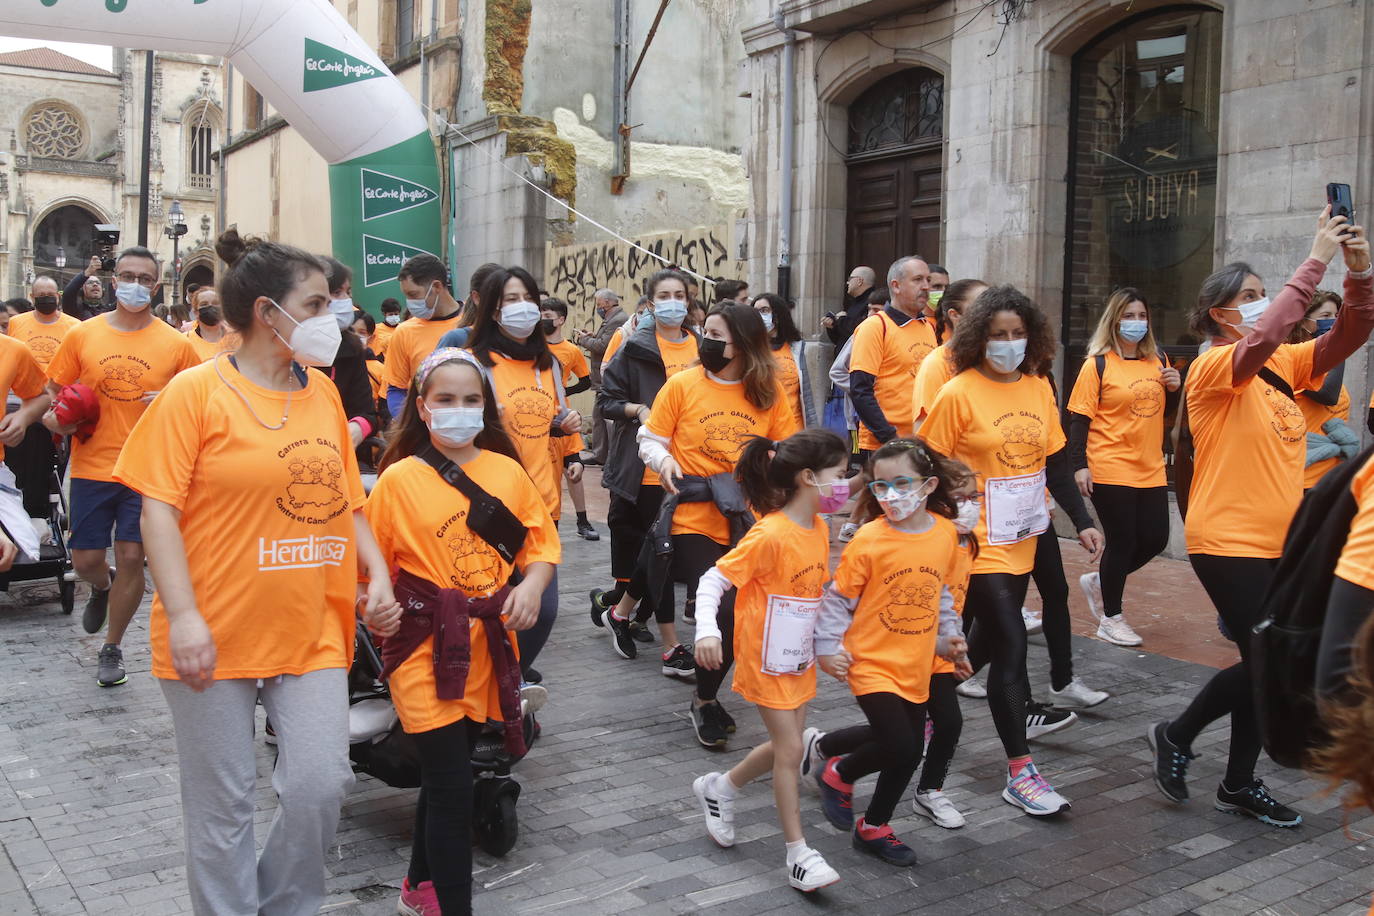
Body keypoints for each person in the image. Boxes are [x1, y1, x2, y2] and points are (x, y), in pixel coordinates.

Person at [111, 229, 399, 915]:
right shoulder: (195, 392)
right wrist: (182, 616)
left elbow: (346, 500)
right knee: (223, 805)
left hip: (310, 627)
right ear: (271, 312)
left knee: (320, 785)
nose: (336, 317)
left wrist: (378, 576)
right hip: (210, 630)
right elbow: (157, 514)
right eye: (320, 302)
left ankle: (279, 905)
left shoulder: (324, 395)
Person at [1147, 208, 1372, 827]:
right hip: (1227, 539)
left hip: (1282, 540)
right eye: (1249, 296)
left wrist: (1359, 271)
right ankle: (1178, 733)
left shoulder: (1285, 369)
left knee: (1261, 657)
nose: (1262, 303)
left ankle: (1236, 781)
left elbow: (1351, 334)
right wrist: (1317, 256)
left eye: (1263, 294)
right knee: (1266, 659)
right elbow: (1269, 333)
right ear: (1221, 314)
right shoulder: (1214, 366)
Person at [366, 347, 556, 915]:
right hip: (422, 643)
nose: (458, 410)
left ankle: (417, 886)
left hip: (488, 644)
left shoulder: (507, 471)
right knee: (451, 782)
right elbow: (366, 572)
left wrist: (531, 587)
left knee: (449, 775)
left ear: (485, 407)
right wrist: (370, 606)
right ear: (422, 408)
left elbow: (540, 546)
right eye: (445, 400)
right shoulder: (397, 481)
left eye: (470, 400)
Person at [921, 285, 1105, 816]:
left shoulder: (1037, 388)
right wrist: (953, 509)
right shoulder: (958, 393)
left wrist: (1083, 522)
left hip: (1025, 534)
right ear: (978, 338)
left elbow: (1055, 462)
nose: (1008, 343)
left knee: (976, 651)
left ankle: (920, 703)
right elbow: (927, 462)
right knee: (1012, 649)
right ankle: (1020, 773)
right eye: (998, 335)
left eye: (1017, 334)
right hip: (978, 543)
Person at [690, 429, 849, 892]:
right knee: (792, 751)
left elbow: (813, 597)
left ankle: (720, 788)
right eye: (839, 475)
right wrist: (706, 630)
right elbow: (712, 580)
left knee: (790, 744)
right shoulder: (771, 532)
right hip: (764, 660)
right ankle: (798, 853)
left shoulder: (819, 527)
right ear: (808, 477)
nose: (844, 484)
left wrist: (830, 646)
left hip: (797, 658)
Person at [639, 303, 799, 747]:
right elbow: (650, 437)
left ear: (745, 343)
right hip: (693, 514)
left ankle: (705, 695)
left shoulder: (768, 392)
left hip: (750, 518)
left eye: (718, 334)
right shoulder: (683, 385)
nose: (707, 340)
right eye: (705, 331)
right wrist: (664, 459)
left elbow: (784, 452)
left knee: (742, 615)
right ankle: (706, 702)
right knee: (723, 607)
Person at [810, 439, 973, 863]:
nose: (891, 495)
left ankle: (874, 825)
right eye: (881, 487)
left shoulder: (943, 533)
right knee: (901, 745)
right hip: (870, 663)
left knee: (907, 751)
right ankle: (839, 772)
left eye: (901, 483)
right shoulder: (868, 540)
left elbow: (940, 596)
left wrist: (950, 640)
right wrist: (828, 649)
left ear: (929, 484)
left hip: (917, 663)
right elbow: (837, 601)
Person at [44, 245, 200, 688]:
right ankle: (101, 585)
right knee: (87, 558)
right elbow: (51, 394)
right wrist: (55, 418)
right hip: (93, 465)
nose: (135, 284)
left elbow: (203, 402)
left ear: (156, 285)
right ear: (115, 281)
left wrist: (171, 400)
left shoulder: (177, 345)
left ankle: (112, 646)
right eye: (128, 275)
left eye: (145, 278)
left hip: (148, 469)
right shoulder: (83, 335)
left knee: (133, 554)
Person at [469, 266, 582, 683]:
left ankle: (508, 680)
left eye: (528, 299)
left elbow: (552, 416)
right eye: (510, 300)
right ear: (493, 310)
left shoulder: (548, 364)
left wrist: (569, 436)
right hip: (488, 505)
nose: (522, 308)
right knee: (490, 607)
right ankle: (491, 694)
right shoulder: (474, 363)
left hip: (542, 504)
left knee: (543, 609)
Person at [593, 269, 700, 669]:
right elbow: (606, 401)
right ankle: (670, 645)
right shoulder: (635, 347)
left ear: (688, 301)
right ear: (652, 303)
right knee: (661, 550)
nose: (674, 301)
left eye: (681, 294)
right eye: (664, 295)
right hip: (646, 470)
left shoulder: (701, 347)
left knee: (660, 553)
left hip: (691, 468)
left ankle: (618, 612)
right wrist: (639, 410)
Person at [1066, 288, 1181, 647]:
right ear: (1114, 321)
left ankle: (1103, 581)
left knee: (1156, 538)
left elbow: (1165, 413)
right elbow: (1078, 420)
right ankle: (1111, 618)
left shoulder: (1158, 359)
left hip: (1150, 465)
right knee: (1123, 540)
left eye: (1141, 315)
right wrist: (1079, 465)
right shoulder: (1097, 363)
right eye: (1128, 316)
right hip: (1110, 463)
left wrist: (1176, 388)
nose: (1136, 323)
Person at [849, 256, 938, 461]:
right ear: (896, 286)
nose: (926, 287)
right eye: (918, 280)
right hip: (887, 445)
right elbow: (860, 390)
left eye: (928, 281)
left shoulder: (929, 327)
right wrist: (890, 438)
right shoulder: (875, 327)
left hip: (924, 441)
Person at [6, 276, 79, 518]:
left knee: (42, 438)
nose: (46, 299)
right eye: (41, 296)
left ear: (58, 296)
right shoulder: (16, 324)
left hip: (56, 395)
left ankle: (38, 505)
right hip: (18, 394)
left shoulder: (73, 326)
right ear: (32, 297)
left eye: (50, 295)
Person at [540, 297, 599, 541]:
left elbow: (586, 380)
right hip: (540, 418)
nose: (542, 320)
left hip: (564, 416)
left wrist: (566, 391)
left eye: (547, 316)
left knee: (573, 468)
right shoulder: (531, 347)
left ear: (561, 319)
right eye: (540, 315)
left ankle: (583, 520)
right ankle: (545, 522)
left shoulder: (570, 350)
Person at [383, 255, 468, 417]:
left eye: (413, 295)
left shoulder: (474, 322)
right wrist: (407, 425)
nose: (409, 302)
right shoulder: (404, 332)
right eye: (406, 296)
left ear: (436, 286)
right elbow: (396, 389)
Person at [1294, 290, 1356, 489]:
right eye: (1325, 316)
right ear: (1304, 322)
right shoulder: (1292, 360)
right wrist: (1338, 346)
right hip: (1303, 481)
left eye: (1336, 316)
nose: (1334, 321)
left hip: (1332, 476)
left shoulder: (1325, 363)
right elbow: (1328, 395)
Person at [317, 257, 378, 449]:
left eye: (348, 292)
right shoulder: (286, 349)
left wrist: (357, 428)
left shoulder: (352, 349)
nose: (345, 300)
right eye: (336, 292)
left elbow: (367, 413)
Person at [911, 278, 987, 428]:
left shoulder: (997, 360)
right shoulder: (937, 364)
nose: (991, 313)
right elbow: (925, 431)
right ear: (954, 315)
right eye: (981, 306)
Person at [573, 288, 627, 466]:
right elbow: (604, 340)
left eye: (598, 304)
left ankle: (610, 457)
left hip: (608, 378)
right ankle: (601, 455)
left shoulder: (617, 320)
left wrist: (583, 340)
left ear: (606, 303)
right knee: (599, 418)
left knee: (607, 419)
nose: (597, 307)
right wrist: (592, 336)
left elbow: (603, 346)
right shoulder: (611, 319)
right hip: (602, 379)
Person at [753, 293, 819, 428]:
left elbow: (805, 394)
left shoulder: (796, 347)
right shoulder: (750, 349)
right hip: (763, 429)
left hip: (794, 429)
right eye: (755, 312)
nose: (759, 315)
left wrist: (813, 431)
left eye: (764, 310)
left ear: (778, 314)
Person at [183, 286, 239, 363]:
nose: (210, 307)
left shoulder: (236, 338)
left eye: (215, 303)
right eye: (204, 304)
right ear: (196, 312)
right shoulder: (185, 340)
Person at [824, 267, 877, 347]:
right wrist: (832, 326)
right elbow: (842, 338)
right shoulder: (856, 302)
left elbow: (859, 331)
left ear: (859, 281)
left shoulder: (873, 302)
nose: (847, 282)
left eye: (850, 279)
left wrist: (841, 320)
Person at [63, 256, 110, 320]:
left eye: (98, 283)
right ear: (82, 290)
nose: (95, 284)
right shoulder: (75, 310)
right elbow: (68, 293)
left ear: (103, 290)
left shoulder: (109, 311)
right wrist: (88, 272)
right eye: (90, 282)